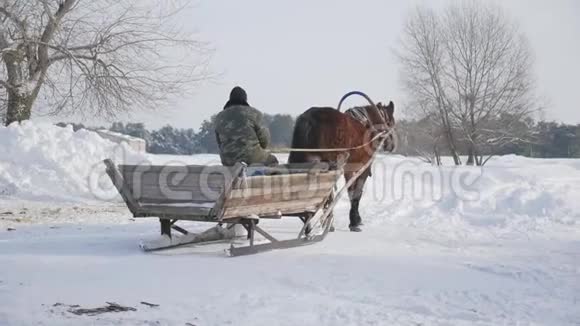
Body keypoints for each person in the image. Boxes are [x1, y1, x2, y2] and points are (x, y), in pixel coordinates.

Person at [214, 86, 278, 167]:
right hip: (252, 157)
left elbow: (219, 143)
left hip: (228, 160)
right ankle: (263, 178)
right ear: (245, 99)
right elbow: (265, 141)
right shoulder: (254, 114)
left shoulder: (219, 117)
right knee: (272, 160)